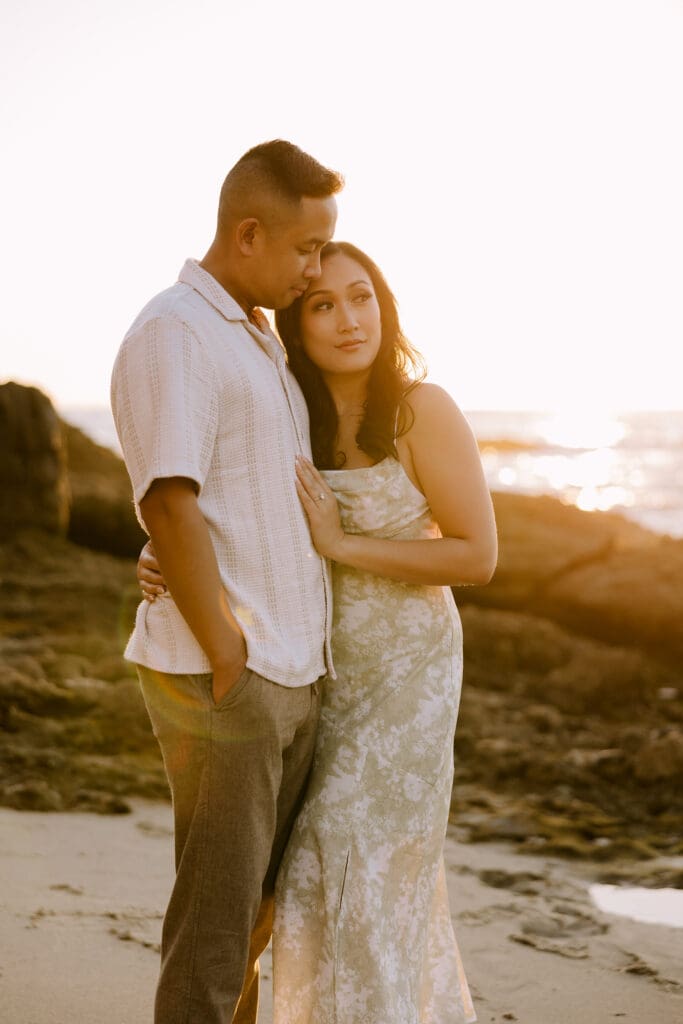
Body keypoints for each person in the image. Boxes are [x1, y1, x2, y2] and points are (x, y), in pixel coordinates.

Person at [140, 240, 497, 1022]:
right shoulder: (286, 411)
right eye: (323, 305)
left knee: (349, 863)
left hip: (405, 674)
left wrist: (340, 544)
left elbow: (476, 556)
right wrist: (160, 548)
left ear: (384, 305)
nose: (348, 320)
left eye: (361, 297)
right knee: (273, 883)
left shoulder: (420, 409)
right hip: (305, 662)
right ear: (295, 325)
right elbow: (222, 502)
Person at [110, 139, 343, 1024]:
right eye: (305, 249)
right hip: (233, 678)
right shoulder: (176, 330)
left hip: (290, 667)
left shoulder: (257, 339)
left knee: (250, 924)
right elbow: (168, 498)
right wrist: (226, 653)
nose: (314, 269)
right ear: (248, 234)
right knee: (214, 936)